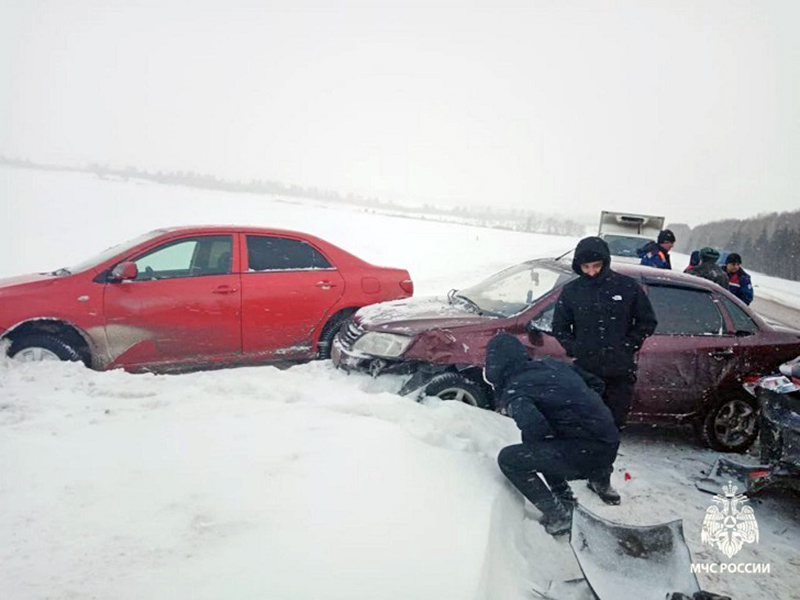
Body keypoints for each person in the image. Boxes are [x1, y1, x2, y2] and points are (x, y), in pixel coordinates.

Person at [552, 236, 657, 504]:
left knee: (612, 426)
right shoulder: (572, 292)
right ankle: (574, 468)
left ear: (605, 262)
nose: (591, 272)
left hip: (620, 371)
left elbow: (647, 321)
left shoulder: (627, 287)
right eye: (585, 267)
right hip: (586, 371)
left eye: (596, 266)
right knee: (581, 422)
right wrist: (574, 347)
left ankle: (601, 476)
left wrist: (628, 344)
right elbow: (559, 328)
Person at [487, 333, 620, 536]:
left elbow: (534, 425)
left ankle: (559, 516)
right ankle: (565, 499)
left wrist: (563, 426)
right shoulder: (553, 365)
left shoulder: (516, 388)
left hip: (587, 451)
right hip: (606, 442)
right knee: (538, 442)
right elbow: (597, 384)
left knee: (510, 459)